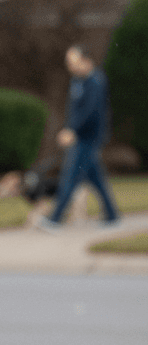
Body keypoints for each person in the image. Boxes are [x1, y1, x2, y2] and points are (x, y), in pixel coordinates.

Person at [36, 45, 119, 231]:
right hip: (78, 136)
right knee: (95, 177)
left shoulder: (96, 82)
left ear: (86, 61)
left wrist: (72, 130)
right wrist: (68, 128)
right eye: (69, 63)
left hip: (89, 138)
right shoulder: (77, 81)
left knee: (70, 176)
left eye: (74, 62)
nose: (71, 66)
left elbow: (90, 111)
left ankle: (55, 219)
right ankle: (112, 215)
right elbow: (74, 110)